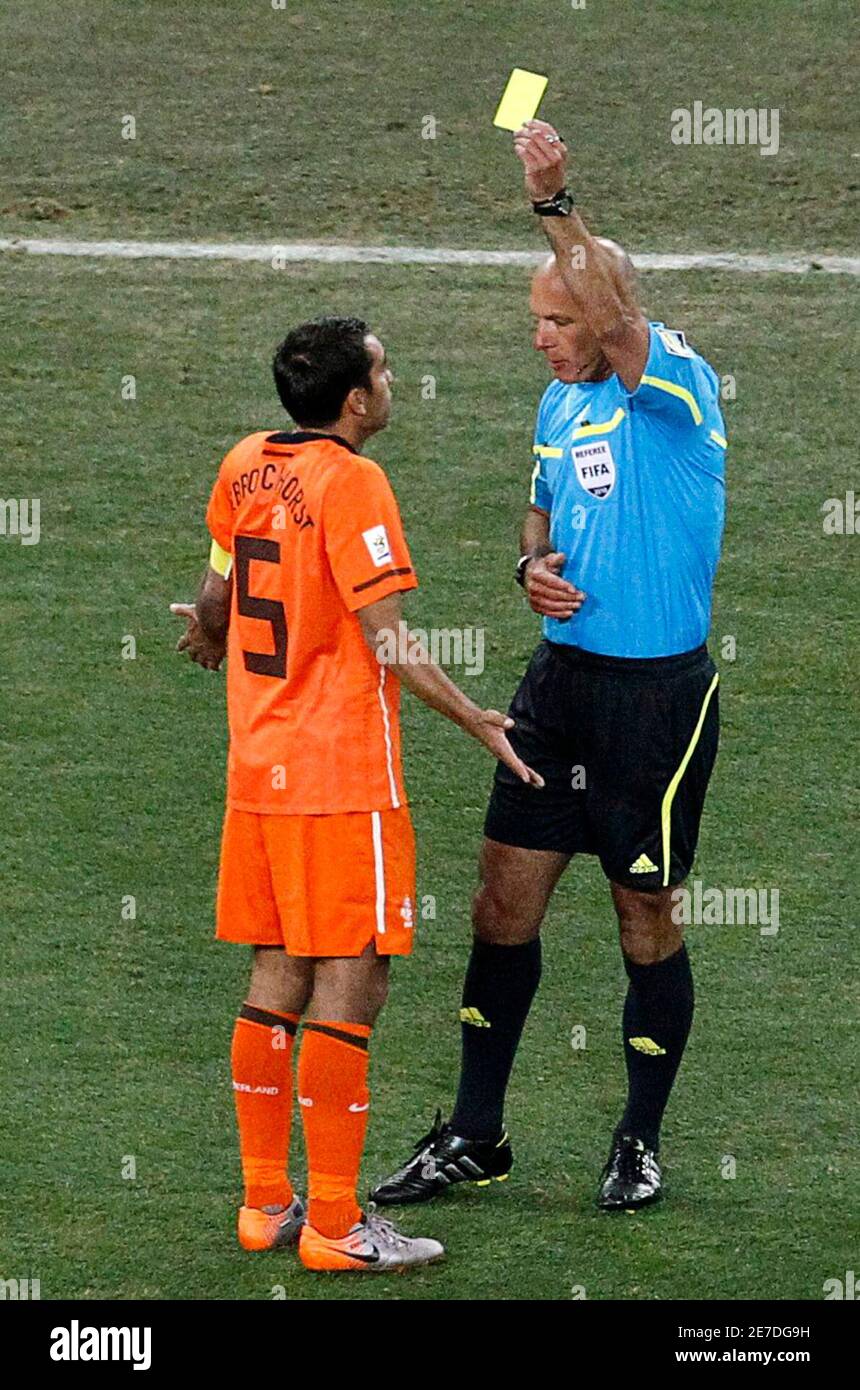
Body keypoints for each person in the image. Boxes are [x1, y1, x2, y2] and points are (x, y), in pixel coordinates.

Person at [371, 119, 727, 1213]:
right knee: (497, 906)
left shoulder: (673, 389)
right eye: (535, 319)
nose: (543, 338)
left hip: (655, 705)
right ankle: (476, 1131)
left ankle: (637, 1136)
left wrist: (554, 197)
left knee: (642, 917)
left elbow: (613, 314)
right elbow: (539, 514)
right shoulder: (557, 401)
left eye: (560, 320)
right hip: (557, 689)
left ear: (609, 318)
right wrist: (528, 566)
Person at [171, 316, 540, 1273]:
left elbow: (216, 591)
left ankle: (266, 1205)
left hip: (256, 772)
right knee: (353, 980)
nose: (391, 379)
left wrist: (213, 633)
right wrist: (477, 719)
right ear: (353, 401)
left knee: (276, 972)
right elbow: (388, 636)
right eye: (382, 368)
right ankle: (336, 1225)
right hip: (341, 780)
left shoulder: (244, 462)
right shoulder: (354, 481)